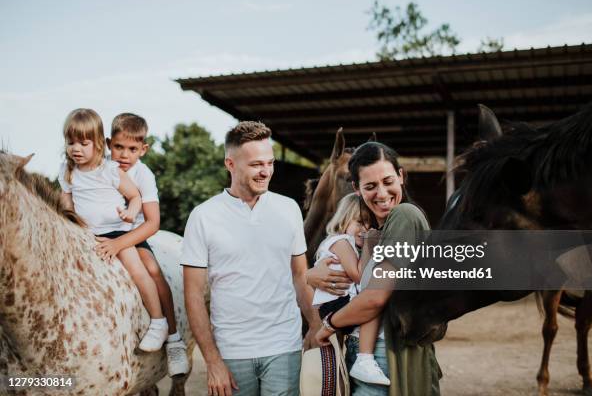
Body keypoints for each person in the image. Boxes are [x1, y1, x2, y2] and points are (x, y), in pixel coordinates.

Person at [182, 121, 320, 396]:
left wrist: (315, 324)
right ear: (230, 164)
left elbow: (299, 275)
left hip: (284, 347)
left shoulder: (289, 209)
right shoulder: (203, 216)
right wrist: (212, 361)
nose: (266, 171)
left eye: (269, 163)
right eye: (256, 164)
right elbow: (194, 295)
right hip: (231, 352)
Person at [308, 141, 442, 396]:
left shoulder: (404, 216)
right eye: (370, 186)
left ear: (401, 176)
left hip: (388, 355)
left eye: (388, 181)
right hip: (368, 352)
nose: (381, 193)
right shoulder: (374, 234)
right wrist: (311, 275)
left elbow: (374, 298)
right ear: (356, 189)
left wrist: (327, 326)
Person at [58, 108, 168, 353]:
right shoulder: (67, 171)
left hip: (117, 232)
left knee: (139, 269)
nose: (76, 148)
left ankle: (159, 322)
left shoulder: (109, 169)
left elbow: (135, 196)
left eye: (83, 143)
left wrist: (131, 213)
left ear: (98, 144)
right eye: (70, 142)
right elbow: (67, 206)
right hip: (87, 234)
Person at [93, 113, 190, 376]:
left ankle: (173, 338)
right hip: (99, 232)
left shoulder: (143, 175)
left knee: (154, 270)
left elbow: (152, 223)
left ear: (143, 150)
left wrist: (120, 244)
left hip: (133, 235)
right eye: (119, 147)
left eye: (133, 149)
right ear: (107, 143)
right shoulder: (98, 166)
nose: (125, 154)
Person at [312, 193, 390, 386]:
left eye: (369, 224)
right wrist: (372, 245)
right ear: (344, 219)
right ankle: (364, 359)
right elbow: (359, 275)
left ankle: (364, 358)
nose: (365, 229)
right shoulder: (340, 241)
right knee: (372, 302)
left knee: (371, 300)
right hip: (335, 305)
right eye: (360, 222)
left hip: (340, 305)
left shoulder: (353, 246)